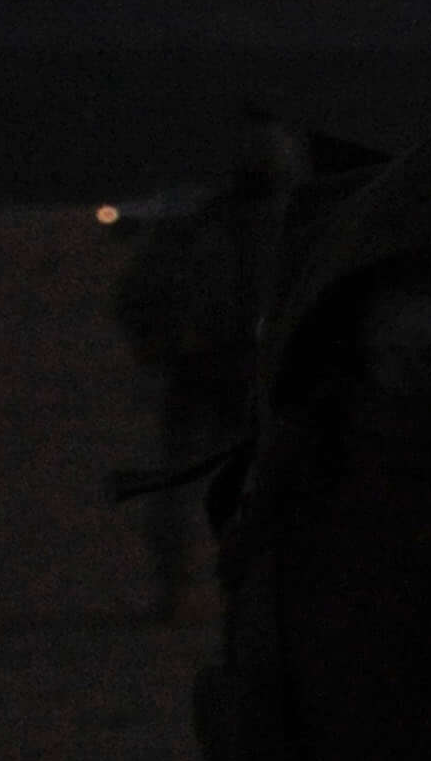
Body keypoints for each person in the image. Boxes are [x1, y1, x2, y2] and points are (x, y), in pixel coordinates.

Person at [104, 104, 295, 617]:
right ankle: (184, 592)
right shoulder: (214, 223)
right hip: (213, 372)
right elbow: (137, 293)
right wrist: (158, 346)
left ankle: (216, 594)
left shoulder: (284, 225)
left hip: (252, 375)